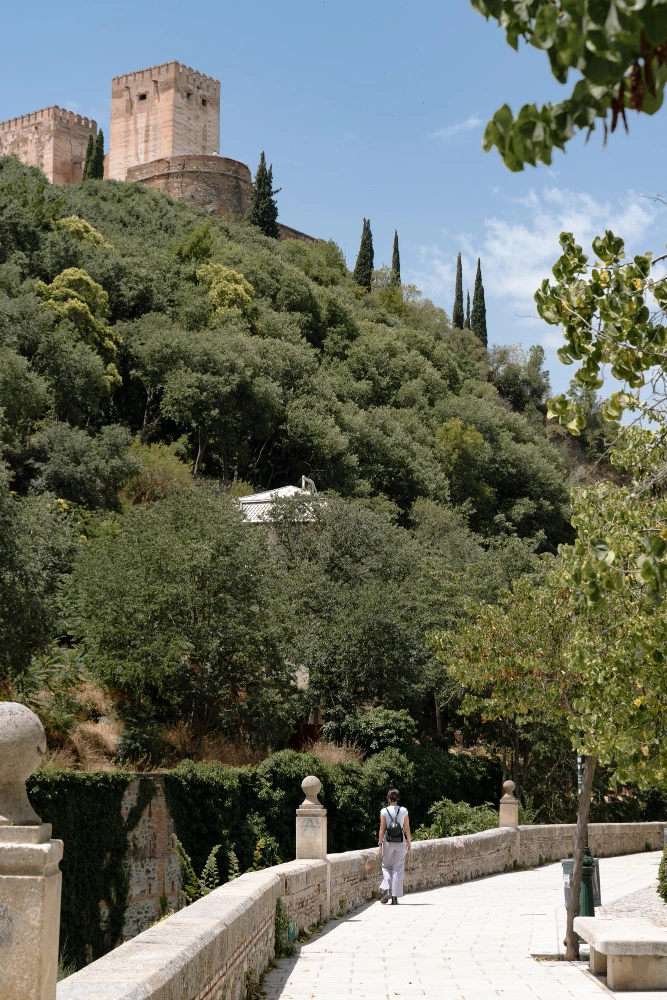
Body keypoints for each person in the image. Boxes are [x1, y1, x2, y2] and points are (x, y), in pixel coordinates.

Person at [378, 787, 410, 905]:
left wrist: (380, 844)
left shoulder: (384, 811)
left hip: (388, 841)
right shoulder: (404, 810)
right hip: (400, 841)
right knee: (398, 868)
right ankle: (395, 897)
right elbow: (407, 828)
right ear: (398, 798)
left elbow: (382, 829)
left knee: (386, 866)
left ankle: (387, 889)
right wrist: (409, 842)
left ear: (388, 798)